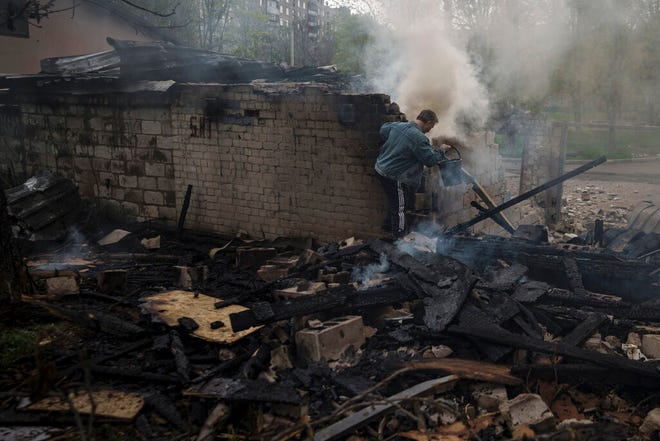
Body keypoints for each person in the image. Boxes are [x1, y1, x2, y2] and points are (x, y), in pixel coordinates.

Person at [375, 109, 446, 239]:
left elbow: (383, 130)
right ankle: (400, 239)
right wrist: (441, 151)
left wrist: (395, 143)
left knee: (397, 201)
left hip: (380, 169)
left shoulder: (398, 125)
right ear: (428, 122)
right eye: (431, 126)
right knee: (400, 208)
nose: (430, 130)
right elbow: (430, 161)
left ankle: (388, 225)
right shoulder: (419, 138)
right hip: (394, 176)